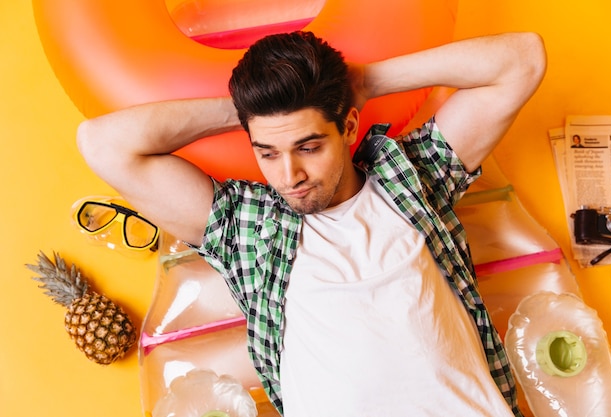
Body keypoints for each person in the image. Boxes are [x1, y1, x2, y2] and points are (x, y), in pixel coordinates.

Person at [77, 31, 546, 416]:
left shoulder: (411, 177)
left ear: (347, 127)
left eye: (308, 146)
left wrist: (362, 82)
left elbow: (523, 60)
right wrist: (250, 116)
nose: (289, 176)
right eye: (266, 152)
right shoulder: (248, 227)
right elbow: (102, 143)